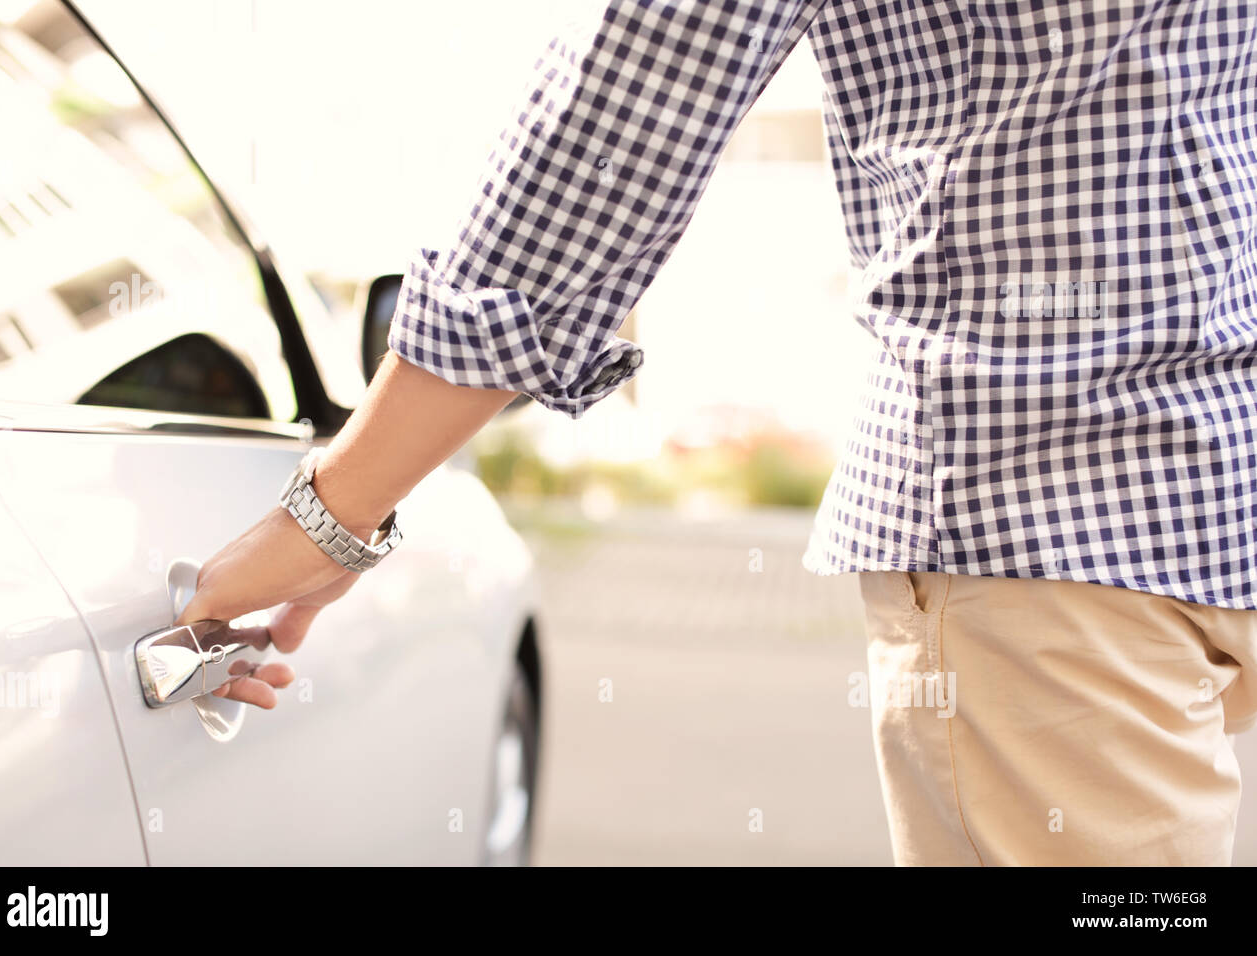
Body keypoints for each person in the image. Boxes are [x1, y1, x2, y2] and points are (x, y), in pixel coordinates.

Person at [179, 1, 1257, 865]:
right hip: (1070, 524)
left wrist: (336, 508)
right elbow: (633, 106)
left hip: (1114, 506)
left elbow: (619, 114)